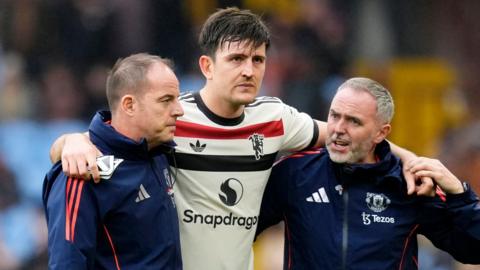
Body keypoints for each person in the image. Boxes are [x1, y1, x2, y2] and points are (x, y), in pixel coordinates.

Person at [49, 8, 433, 270]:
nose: (249, 70)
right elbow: (113, 139)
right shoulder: (171, 118)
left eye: (258, 60)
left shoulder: (276, 120)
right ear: (207, 65)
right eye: (236, 59)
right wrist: (71, 142)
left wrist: (412, 160)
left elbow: (350, 134)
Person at [256, 77, 480, 269]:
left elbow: (473, 250)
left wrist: (461, 195)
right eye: (334, 116)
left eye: (353, 121)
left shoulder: (410, 185)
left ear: (381, 133)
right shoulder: (295, 172)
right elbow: (236, 227)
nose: (338, 129)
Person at [43, 53, 184, 269]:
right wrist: (68, 141)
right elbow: (66, 263)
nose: (179, 111)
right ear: (129, 105)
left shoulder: (159, 151)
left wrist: (68, 139)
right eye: (166, 100)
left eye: (177, 99)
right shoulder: (81, 170)